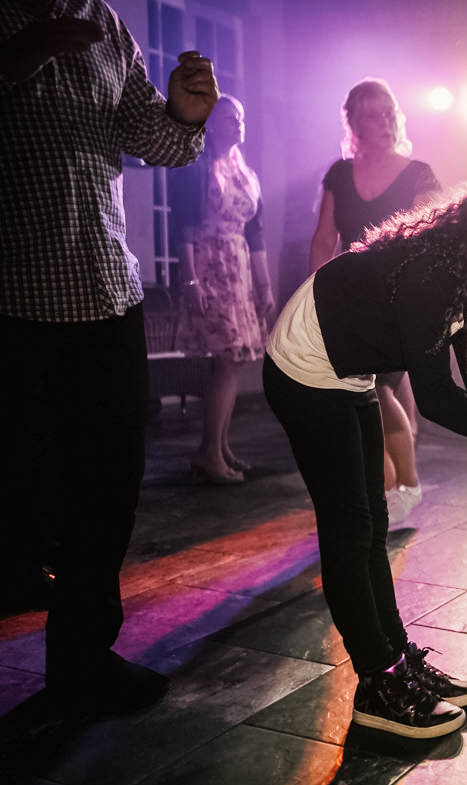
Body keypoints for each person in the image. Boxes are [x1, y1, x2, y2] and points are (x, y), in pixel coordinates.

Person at [264, 175, 467, 739]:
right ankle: (377, 684)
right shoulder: (431, 276)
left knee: (372, 523)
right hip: (304, 370)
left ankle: (397, 659)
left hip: (348, 375)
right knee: (349, 530)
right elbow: (436, 400)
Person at [0, 1, 217, 715]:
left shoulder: (106, 22)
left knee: (110, 484)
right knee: (28, 487)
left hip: (105, 288)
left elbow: (148, 137)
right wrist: (16, 61)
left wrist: (184, 116)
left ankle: (82, 658)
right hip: (14, 294)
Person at [310, 77, 439, 524]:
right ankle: (394, 487)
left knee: (377, 388)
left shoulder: (418, 173)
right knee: (364, 392)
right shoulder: (339, 174)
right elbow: (324, 239)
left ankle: (399, 485)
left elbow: (428, 244)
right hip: (349, 298)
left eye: (388, 112)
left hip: (397, 299)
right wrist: (315, 299)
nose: (382, 120)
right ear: (353, 122)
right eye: (371, 113)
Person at [173, 94, 274, 485]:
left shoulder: (246, 174)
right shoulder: (198, 168)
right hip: (211, 263)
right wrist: (192, 279)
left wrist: (263, 285)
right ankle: (209, 454)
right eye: (230, 117)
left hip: (239, 267)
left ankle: (219, 447)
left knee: (234, 360)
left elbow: (257, 233)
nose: (238, 123)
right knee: (227, 360)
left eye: (241, 117)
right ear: (211, 123)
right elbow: (183, 228)